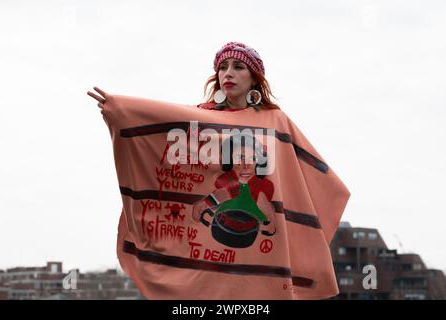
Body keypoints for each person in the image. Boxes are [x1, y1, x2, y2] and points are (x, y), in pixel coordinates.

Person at [87, 41, 351, 300]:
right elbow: (161, 123)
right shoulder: (201, 119)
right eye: (223, 67)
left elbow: (303, 170)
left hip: (256, 246)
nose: (228, 73)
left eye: (238, 67)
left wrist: (322, 198)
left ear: (255, 78)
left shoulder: (275, 121)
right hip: (210, 243)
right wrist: (121, 111)